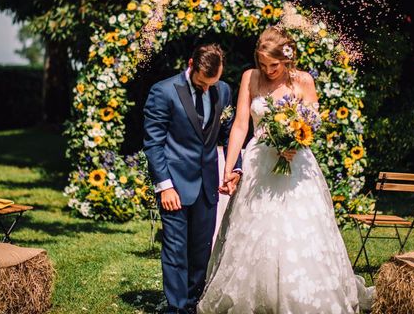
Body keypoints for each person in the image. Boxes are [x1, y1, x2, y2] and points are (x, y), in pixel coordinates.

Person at [198, 26, 372, 314]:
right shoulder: (250, 78)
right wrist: (230, 168)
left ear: (288, 58)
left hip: (296, 166)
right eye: (263, 64)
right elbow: (241, 124)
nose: (268, 70)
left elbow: (312, 125)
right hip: (257, 165)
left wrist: (295, 144)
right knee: (255, 229)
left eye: (274, 65)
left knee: (298, 229)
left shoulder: (303, 81)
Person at [143, 43, 241, 314]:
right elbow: (154, 143)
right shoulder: (163, 91)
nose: (208, 88)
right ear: (190, 65)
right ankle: (176, 308)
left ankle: (192, 304)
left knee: (200, 252)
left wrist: (235, 169)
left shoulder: (222, 90)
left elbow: (228, 133)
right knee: (175, 251)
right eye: (202, 83)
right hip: (174, 186)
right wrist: (165, 187)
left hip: (207, 185)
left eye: (213, 83)